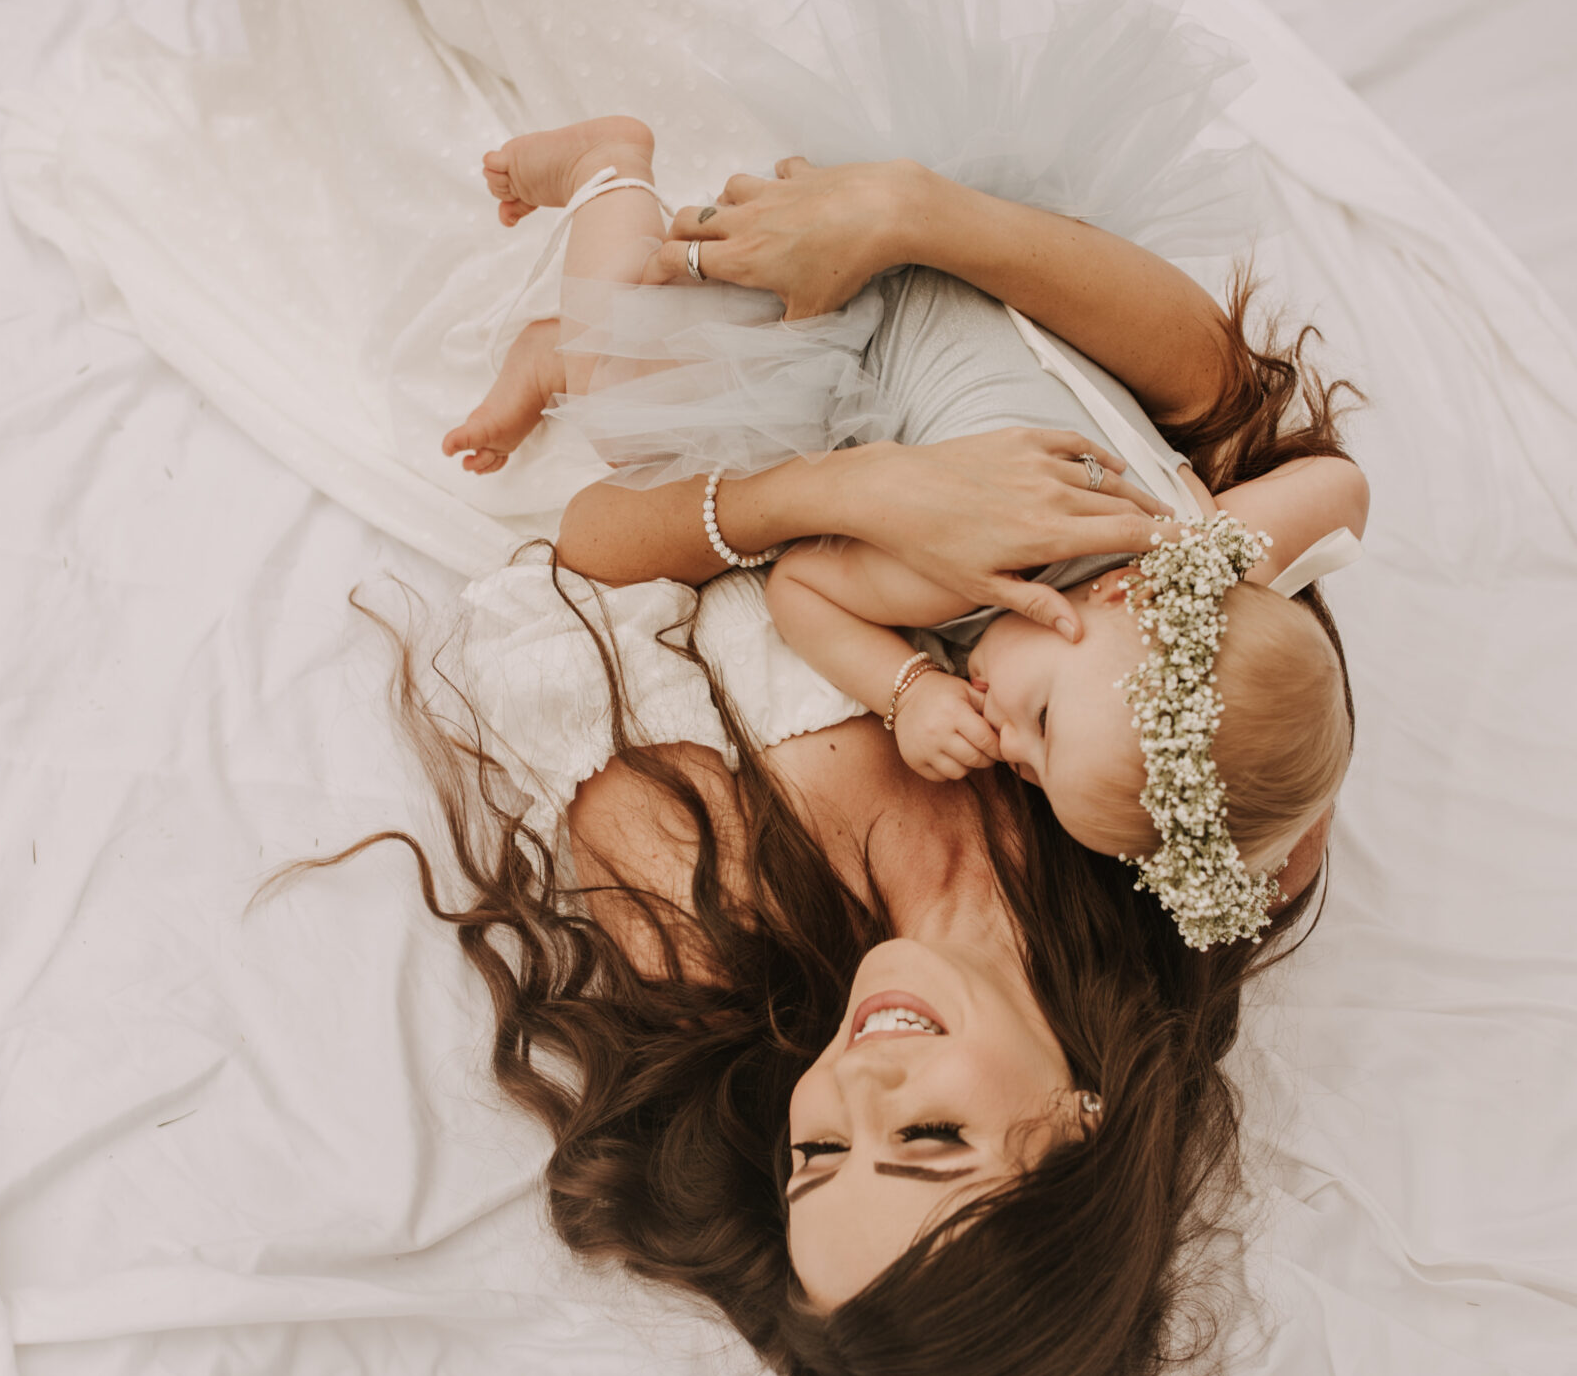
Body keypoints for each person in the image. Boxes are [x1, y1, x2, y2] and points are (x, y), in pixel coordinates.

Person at [212, 0, 1357, 1376]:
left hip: (578, 416)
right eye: (935, 1143)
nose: (866, 1078)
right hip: (849, 267)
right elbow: (1216, 414)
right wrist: (912, 216)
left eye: (825, 1145)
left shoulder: (710, 925)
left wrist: (849, 501)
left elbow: (553, 575)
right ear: (1068, 1141)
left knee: (348, 34)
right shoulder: (1201, 841)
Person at [441, 112, 1366, 943]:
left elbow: (1338, 489)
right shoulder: (973, 578)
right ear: (1137, 597)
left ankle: (555, 344)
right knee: (621, 396)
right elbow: (802, 583)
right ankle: (607, 172)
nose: (1008, 745)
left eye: (1034, 776)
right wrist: (908, 684)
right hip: (855, 308)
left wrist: (1211, 554)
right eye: (1040, 721)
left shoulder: (1186, 562)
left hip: (942, 274)